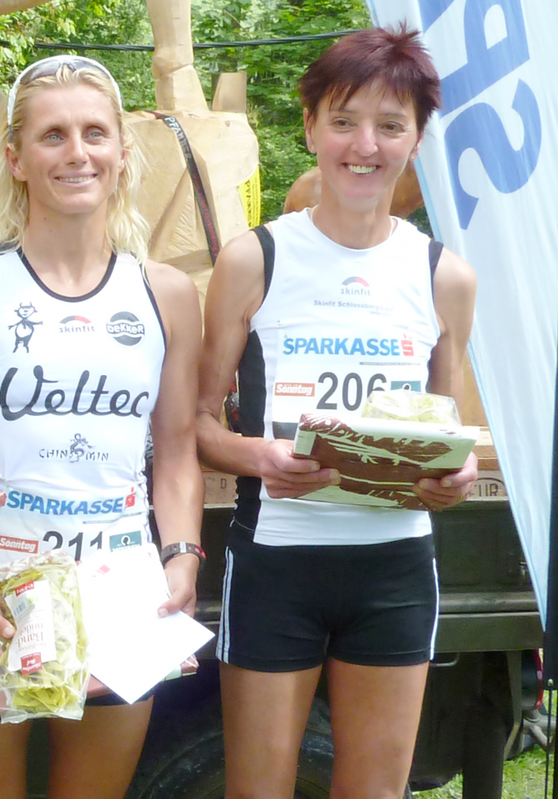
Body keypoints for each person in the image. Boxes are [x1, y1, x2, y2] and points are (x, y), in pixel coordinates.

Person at [0, 55, 204, 799]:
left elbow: (176, 453)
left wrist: (182, 558)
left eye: (95, 133)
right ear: (14, 157)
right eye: (53, 136)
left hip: (120, 587)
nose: (77, 152)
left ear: (122, 152)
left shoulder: (166, 294)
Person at [196, 27, 478, 799]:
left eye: (390, 125)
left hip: (395, 569)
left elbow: (442, 429)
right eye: (345, 121)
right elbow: (198, 425)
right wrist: (260, 457)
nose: (366, 145)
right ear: (311, 126)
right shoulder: (254, 259)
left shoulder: (445, 276)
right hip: (276, 563)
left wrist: (455, 475)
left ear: (416, 138)